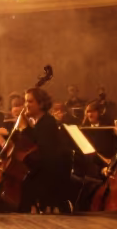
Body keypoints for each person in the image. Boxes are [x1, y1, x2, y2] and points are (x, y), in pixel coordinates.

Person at [14, 86, 74, 214]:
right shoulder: (41, 122)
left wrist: (24, 128)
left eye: (30, 101)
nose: (26, 105)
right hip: (44, 170)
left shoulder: (47, 122)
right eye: (25, 101)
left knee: (26, 184)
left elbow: (41, 153)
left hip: (50, 175)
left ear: (41, 104)